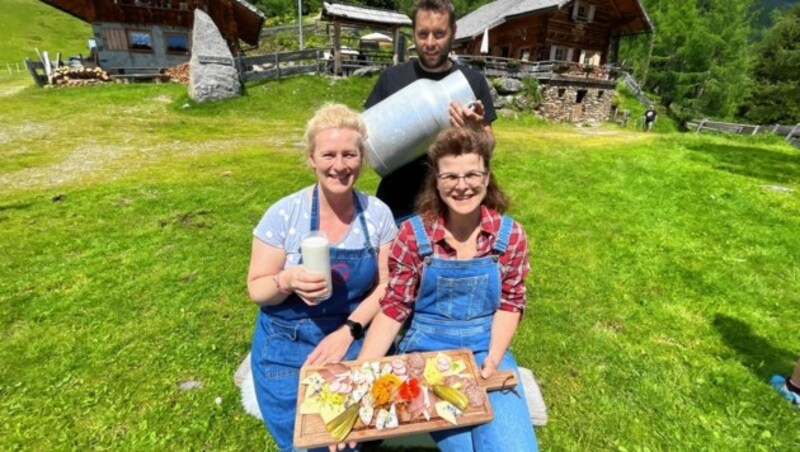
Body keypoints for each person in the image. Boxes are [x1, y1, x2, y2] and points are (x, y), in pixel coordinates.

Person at [358, 126, 539, 451]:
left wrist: (493, 360)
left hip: (486, 349)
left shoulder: (510, 236)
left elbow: (511, 303)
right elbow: (394, 307)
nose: (462, 186)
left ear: (486, 177)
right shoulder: (413, 235)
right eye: (450, 176)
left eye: (472, 174)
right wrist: (363, 372)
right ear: (436, 181)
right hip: (425, 355)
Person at [247, 104, 397, 452]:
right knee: (310, 441)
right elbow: (257, 287)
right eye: (329, 154)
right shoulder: (285, 214)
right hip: (287, 343)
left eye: (350, 154)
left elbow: (387, 285)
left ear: (362, 157)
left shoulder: (377, 214)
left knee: (355, 434)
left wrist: (349, 332)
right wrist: (286, 281)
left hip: (351, 331)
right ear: (312, 158)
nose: (340, 165)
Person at [365, 0, 497, 222]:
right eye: (422, 34)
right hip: (397, 203)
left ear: (454, 32)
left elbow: (489, 145)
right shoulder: (392, 78)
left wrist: (474, 130)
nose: (430, 42)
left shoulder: (471, 82)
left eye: (439, 34)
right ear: (413, 33)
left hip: (453, 203)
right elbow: (366, 133)